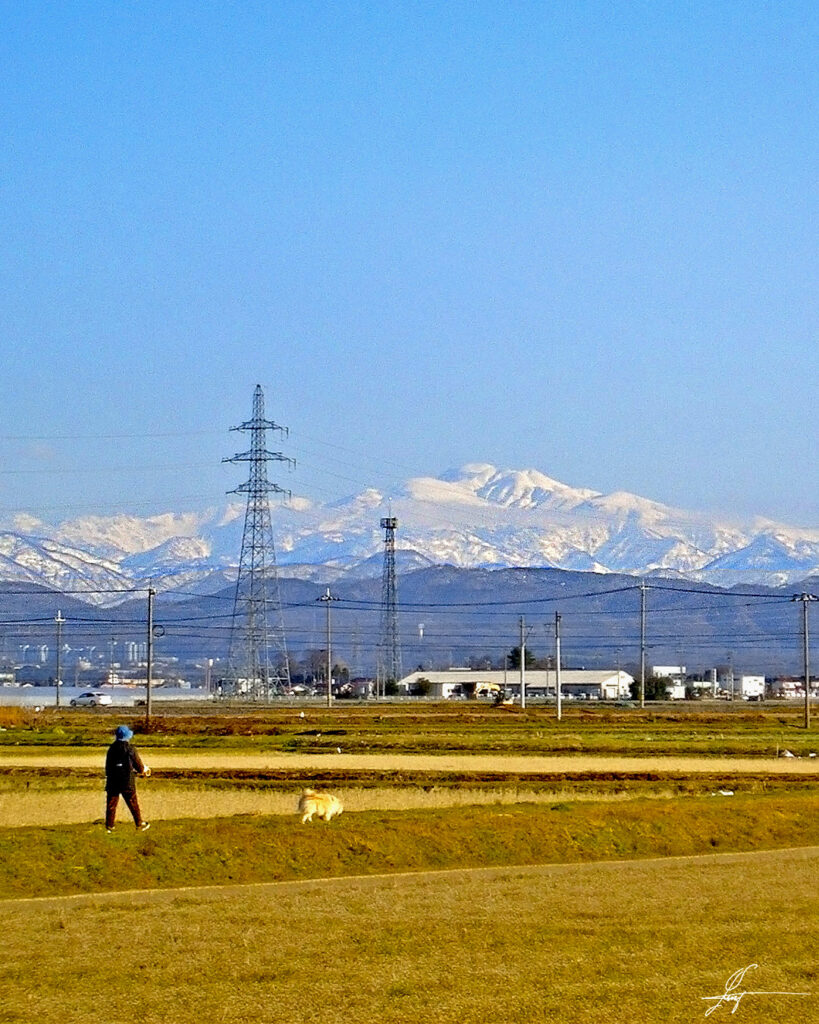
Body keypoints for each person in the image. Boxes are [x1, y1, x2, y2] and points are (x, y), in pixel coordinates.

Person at [104, 724, 151, 833]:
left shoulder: (111, 749)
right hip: (127, 781)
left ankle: (109, 826)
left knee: (111, 804)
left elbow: (108, 766)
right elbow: (138, 765)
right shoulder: (130, 749)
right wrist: (143, 771)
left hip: (113, 780)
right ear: (127, 736)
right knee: (132, 802)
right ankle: (139, 824)